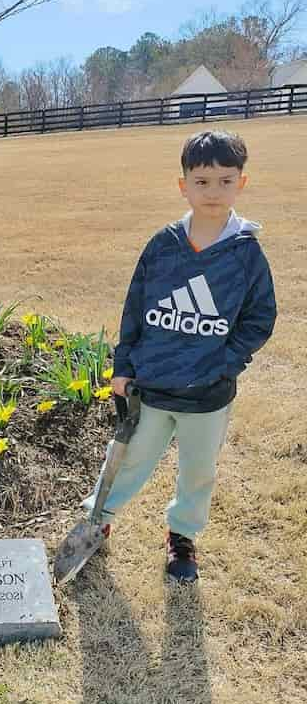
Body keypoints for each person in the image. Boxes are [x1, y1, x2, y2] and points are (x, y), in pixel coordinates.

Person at [84, 129, 276, 582]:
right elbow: (134, 307)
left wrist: (225, 362)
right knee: (128, 457)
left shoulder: (246, 253)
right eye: (202, 181)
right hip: (151, 386)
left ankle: (182, 536)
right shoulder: (163, 245)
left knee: (197, 471)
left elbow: (260, 318)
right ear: (183, 185)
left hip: (209, 395)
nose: (213, 192)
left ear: (241, 184)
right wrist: (124, 366)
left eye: (225, 181)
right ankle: (97, 519)